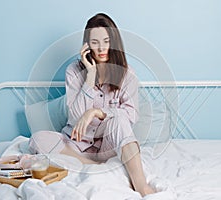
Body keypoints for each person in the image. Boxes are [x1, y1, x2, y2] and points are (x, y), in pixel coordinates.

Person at [29, 13, 156, 197]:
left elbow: (131, 116)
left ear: (114, 42)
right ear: (87, 45)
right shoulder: (73, 71)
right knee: (37, 139)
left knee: (119, 117)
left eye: (106, 41)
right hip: (75, 147)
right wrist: (90, 75)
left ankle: (142, 187)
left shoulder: (127, 74)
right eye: (95, 42)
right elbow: (75, 116)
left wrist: (96, 112)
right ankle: (94, 167)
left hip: (107, 147)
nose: (102, 47)